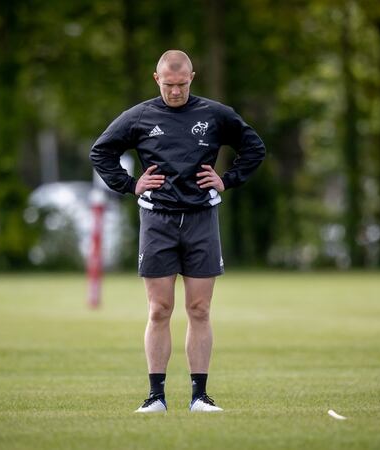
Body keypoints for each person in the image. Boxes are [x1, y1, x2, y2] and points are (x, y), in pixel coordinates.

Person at [90, 50, 266, 413]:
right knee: (159, 309)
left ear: (192, 77)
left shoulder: (215, 114)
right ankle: (155, 397)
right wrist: (129, 184)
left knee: (199, 308)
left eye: (182, 84)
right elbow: (101, 152)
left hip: (202, 219)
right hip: (158, 221)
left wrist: (227, 179)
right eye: (169, 85)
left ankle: (200, 396)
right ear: (157, 79)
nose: (175, 91)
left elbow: (254, 147)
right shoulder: (139, 116)